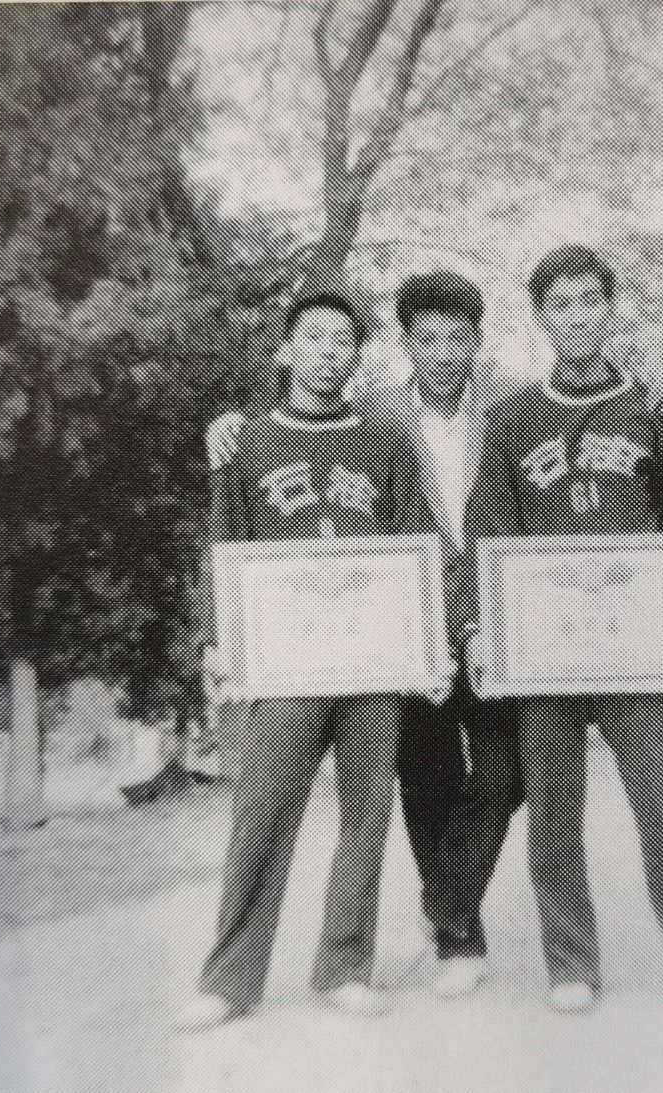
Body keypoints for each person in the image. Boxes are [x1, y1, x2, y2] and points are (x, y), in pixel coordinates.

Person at [206, 269, 663, 1000]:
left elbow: (597, 429)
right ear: (402, 344)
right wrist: (231, 429)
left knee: (509, 771)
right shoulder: (375, 419)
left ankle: (446, 904)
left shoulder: (513, 408)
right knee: (421, 778)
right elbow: (288, 473)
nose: (442, 353)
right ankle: (455, 940)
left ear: (478, 342)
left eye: (457, 338)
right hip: (402, 625)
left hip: (503, 617)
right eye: (425, 339)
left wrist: (659, 385)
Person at [461, 244, 663, 1019]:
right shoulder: (510, 420)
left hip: (634, 639)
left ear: (610, 309)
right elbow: (487, 530)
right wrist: (479, 625)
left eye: (591, 300)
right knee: (554, 810)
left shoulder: (652, 404)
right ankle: (571, 962)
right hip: (546, 644)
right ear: (541, 318)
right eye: (561, 304)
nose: (578, 316)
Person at [176, 292, 451, 1031]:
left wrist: (426, 644)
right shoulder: (247, 440)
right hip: (286, 661)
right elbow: (223, 547)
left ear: (357, 357)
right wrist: (218, 640)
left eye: (341, 341)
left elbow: (418, 546)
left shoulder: (388, 441)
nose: (327, 351)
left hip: (370, 656)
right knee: (263, 811)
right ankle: (229, 979)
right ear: (286, 351)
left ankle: (344, 965)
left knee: (366, 813)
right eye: (313, 337)